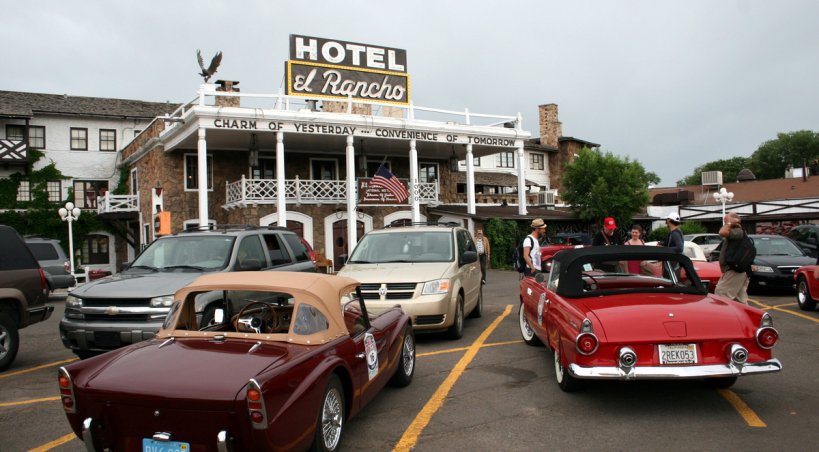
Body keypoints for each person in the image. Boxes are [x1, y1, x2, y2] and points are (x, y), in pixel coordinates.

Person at [714, 212, 753, 304]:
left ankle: (724, 317)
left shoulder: (737, 231)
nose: (725, 223)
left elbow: (722, 232)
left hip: (734, 270)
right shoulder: (739, 231)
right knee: (739, 300)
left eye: (726, 220)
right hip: (740, 271)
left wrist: (730, 223)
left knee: (722, 295)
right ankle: (745, 317)